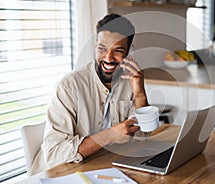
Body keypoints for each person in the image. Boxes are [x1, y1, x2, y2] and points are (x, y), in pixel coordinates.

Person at [29, 13, 148, 175]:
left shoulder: (130, 81)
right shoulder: (69, 86)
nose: (108, 58)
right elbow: (53, 155)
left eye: (118, 50)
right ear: (95, 46)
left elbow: (142, 138)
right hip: (58, 174)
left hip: (100, 168)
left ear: (129, 51)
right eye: (102, 49)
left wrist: (140, 93)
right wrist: (110, 135)